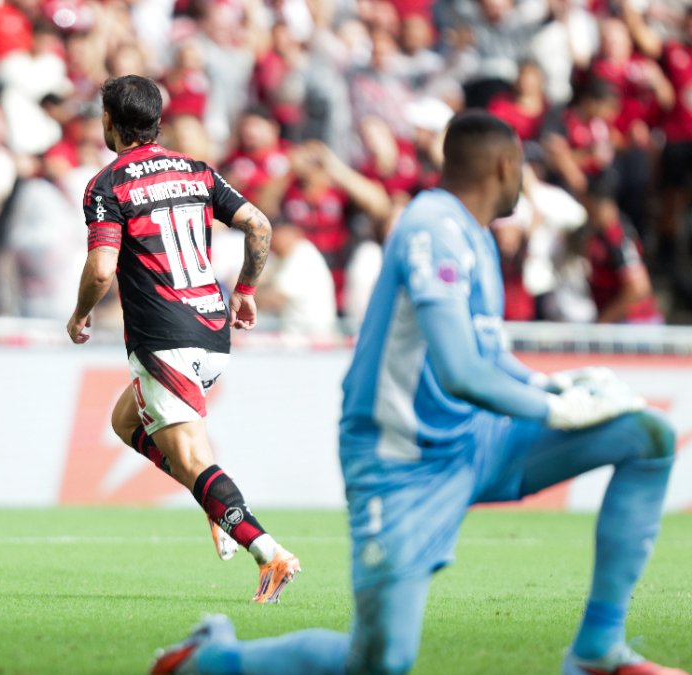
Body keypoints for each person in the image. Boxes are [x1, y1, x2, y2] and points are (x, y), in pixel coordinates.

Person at [151, 111, 683, 675]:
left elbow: (488, 357)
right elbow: (459, 372)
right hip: (400, 461)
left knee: (646, 436)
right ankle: (210, 659)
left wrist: (549, 385)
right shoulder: (432, 226)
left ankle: (599, 649)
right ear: (506, 166)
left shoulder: (475, 237)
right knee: (380, 661)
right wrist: (555, 409)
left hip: (478, 439)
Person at [66, 75, 300, 604]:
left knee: (193, 460)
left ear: (109, 121)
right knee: (125, 421)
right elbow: (259, 226)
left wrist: (80, 313)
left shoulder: (109, 184)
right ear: (156, 121)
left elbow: (102, 269)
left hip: (165, 336)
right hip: (213, 332)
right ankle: (217, 505)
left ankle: (269, 553)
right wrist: (245, 290)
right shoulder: (196, 171)